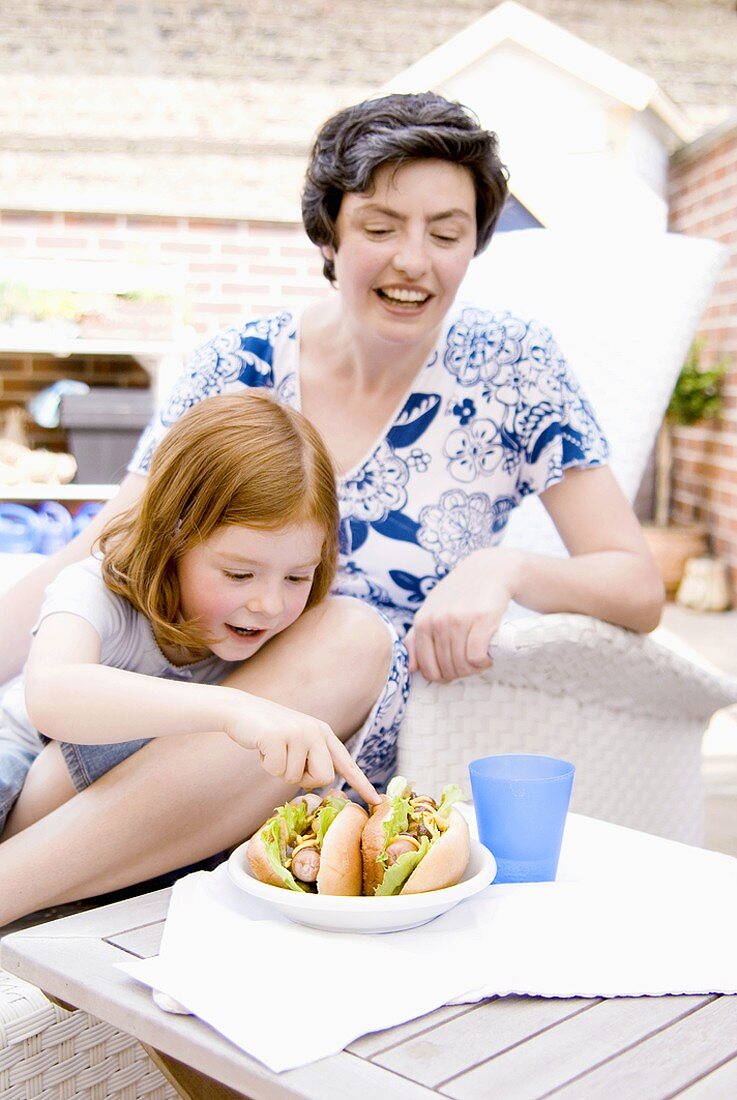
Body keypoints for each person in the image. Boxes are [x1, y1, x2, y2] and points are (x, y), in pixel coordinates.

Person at [0, 91, 663, 925]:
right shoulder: (239, 360)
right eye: (380, 228)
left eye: (446, 233)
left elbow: (635, 586)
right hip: (178, 694)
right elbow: (102, 551)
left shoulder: (512, 366)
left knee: (350, 631)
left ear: (474, 244)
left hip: (334, 727)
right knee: (63, 740)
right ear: (330, 234)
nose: (412, 261)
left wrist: (505, 566)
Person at [0, 392, 387, 844]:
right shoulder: (98, 587)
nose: (270, 604)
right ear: (173, 537)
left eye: (298, 577)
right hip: (18, 758)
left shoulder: (280, 634)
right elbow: (51, 694)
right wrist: (233, 708)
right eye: (239, 574)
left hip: (117, 825)